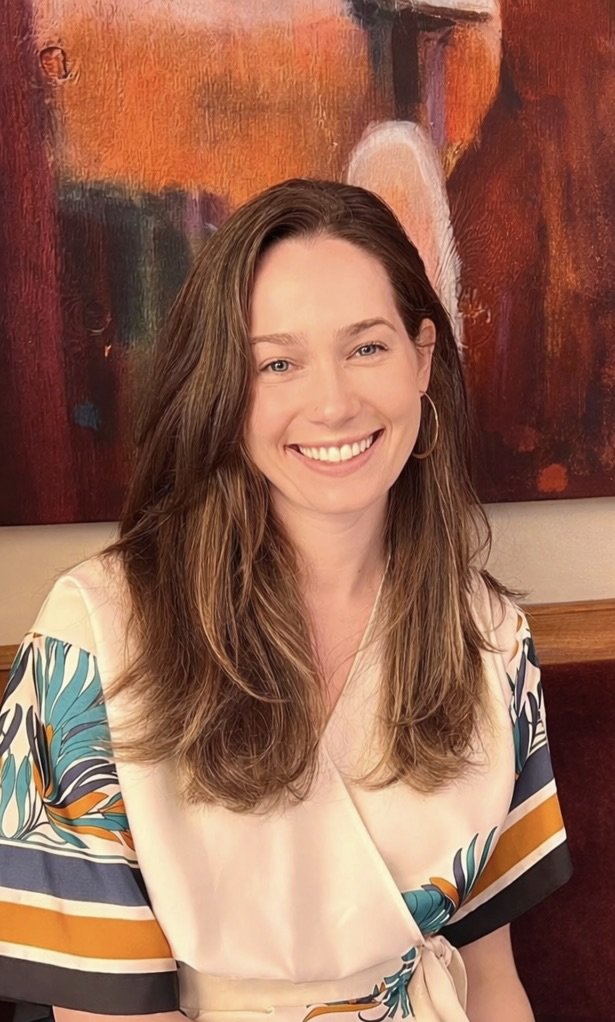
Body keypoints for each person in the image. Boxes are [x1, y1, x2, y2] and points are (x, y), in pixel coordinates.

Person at [0, 179, 571, 1022]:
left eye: (366, 348)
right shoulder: (94, 639)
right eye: (277, 362)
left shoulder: (490, 639)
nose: (333, 402)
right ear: (224, 391)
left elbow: (489, 982)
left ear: (422, 358)